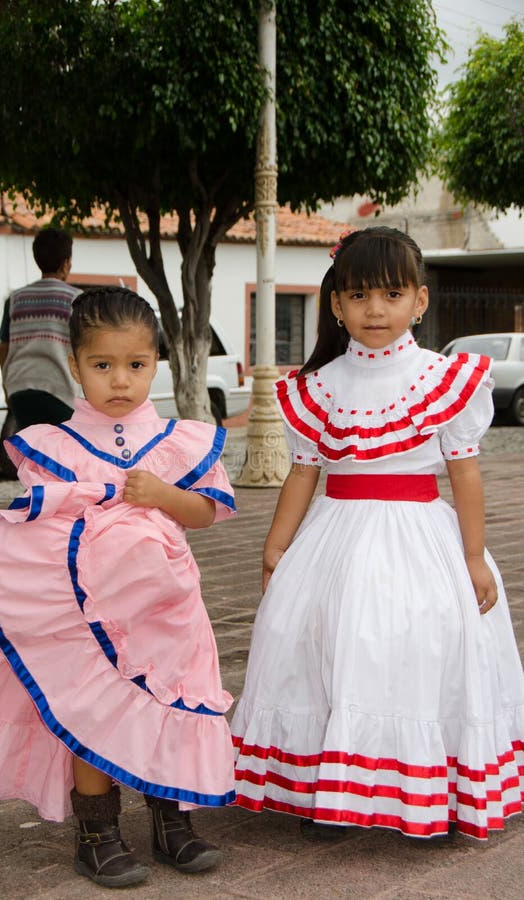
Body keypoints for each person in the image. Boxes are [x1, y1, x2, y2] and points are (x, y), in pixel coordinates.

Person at [0, 287, 237, 889]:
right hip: (87, 616)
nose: (120, 381)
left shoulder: (182, 441)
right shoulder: (52, 445)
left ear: (156, 364)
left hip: (170, 611)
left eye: (136, 365)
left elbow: (204, 513)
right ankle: (97, 834)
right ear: (75, 366)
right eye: (102, 366)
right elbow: (32, 535)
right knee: (92, 710)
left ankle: (170, 818)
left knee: (170, 703)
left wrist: (164, 495)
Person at [231, 226, 524, 841]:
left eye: (391, 294)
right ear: (336, 304)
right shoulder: (319, 386)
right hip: (334, 539)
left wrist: (474, 557)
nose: (375, 310)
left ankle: (430, 789)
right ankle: (331, 788)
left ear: (419, 300)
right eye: (359, 295)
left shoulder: (444, 380)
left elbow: (466, 477)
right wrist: (276, 545)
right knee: (325, 651)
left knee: (416, 652)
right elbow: (303, 475)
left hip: (422, 539)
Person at [0, 227, 82, 430]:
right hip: (60, 390)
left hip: (20, 390)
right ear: (66, 262)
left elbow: (3, 349)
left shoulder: (15, 300)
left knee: (35, 450)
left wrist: (7, 389)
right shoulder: (76, 299)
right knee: (64, 452)